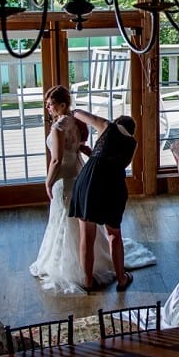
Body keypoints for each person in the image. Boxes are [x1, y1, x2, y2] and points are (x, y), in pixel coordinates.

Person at [30, 86, 116, 294]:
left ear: (62, 105)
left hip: (65, 178)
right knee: (79, 221)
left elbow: (57, 160)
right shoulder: (75, 121)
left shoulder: (59, 127)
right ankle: (91, 262)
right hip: (80, 174)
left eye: (50, 104)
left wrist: (48, 182)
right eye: (46, 104)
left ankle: (73, 268)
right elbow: (78, 148)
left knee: (65, 220)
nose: (47, 108)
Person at [69, 108, 138, 292]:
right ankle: (122, 279)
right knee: (114, 234)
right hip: (113, 186)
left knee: (87, 236)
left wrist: (72, 111)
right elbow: (114, 163)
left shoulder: (107, 126)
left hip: (89, 183)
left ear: (116, 122)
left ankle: (88, 281)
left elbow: (84, 116)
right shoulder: (132, 144)